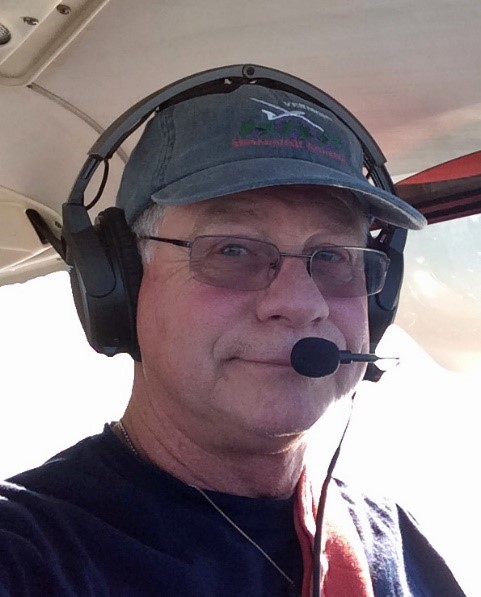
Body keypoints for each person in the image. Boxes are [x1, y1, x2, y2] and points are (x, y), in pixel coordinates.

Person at [0, 70, 465, 596]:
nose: (301, 304)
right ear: (119, 286)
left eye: (333, 256)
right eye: (233, 249)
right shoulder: (25, 555)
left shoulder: (400, 548)